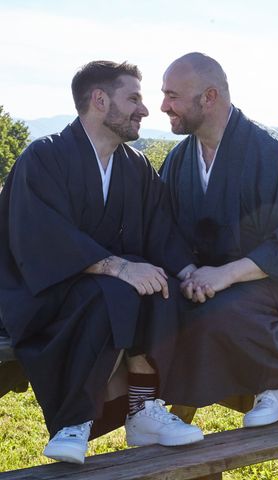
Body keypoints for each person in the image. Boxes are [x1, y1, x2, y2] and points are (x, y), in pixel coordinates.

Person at [0, 61, 203, 465]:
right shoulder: (44, 157)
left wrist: (189, 271)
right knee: (118, 288)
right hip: (42, 296)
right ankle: (72, 422)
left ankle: (144, 409)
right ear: (99, 100)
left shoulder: (136, 166)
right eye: (134, 99)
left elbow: (160, 232)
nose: (145, 110)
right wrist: (120, 268)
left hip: (104, 294)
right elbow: (39, 238)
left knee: (160, 285)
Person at [159, 52, 278, 428]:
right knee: (167, 309)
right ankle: (277, 382)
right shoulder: (179, 161)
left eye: (173, 95)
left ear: (209, 97)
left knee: (218, 311)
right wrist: (193, 274)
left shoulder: (269, 153)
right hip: (211, 285)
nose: (163, 106)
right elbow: (165, 230)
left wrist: (223, 276)